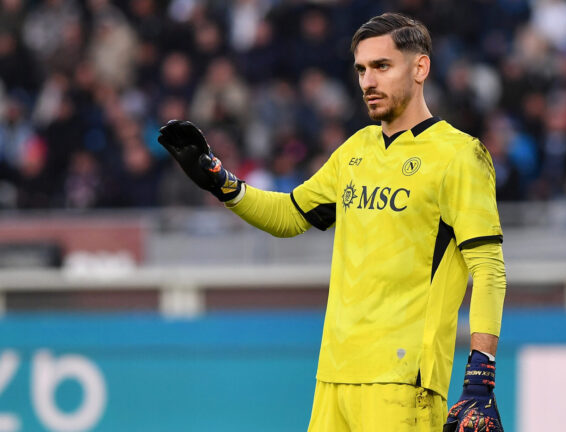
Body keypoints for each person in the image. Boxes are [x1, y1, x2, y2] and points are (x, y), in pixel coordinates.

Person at [158, 13, 506, 432]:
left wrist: (480, 374)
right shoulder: (355, 150)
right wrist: (222, 183)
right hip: (334, 376)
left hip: (401, 381)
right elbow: (291, 214)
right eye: (361, 69)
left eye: (381, 66)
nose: (367, 82)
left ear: (420, 68)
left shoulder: (460, 156)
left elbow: (488, 268)